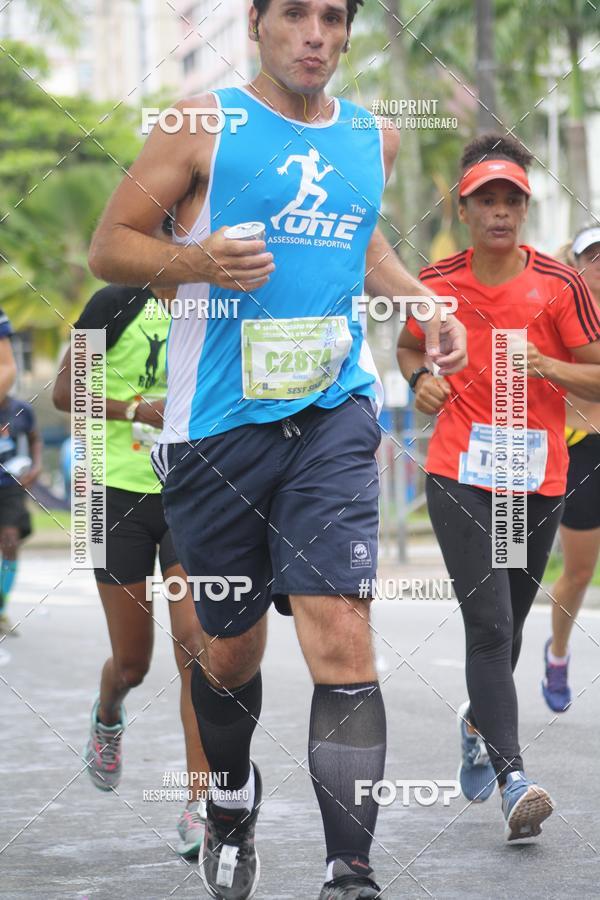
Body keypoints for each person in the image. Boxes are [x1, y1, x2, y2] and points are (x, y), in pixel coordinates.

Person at [87, 1, 467, 896]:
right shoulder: (199, 124)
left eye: (331, 18)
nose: (314, 35)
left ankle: (351, 871)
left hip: (333, 413)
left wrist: (419, 298)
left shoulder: (374, 138)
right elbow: (110, 249)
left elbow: (356, 237)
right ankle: (227, 802)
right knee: (229, 656)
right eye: (293, 14)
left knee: (342, 635)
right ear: (256, 23)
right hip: (215, 429)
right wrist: (199, 262)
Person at [397, 133, 600, 842]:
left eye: (512, 198)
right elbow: (408, 346)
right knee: (486, 625)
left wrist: (545, 364)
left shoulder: (559, 284)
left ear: (525, 206)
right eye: (488, 198)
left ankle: (478, 723)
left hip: (533, 479)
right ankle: (517, 777)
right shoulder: (436, 281)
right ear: (466, 205)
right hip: (459, 473)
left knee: (507, 626)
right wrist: (419, 379)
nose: (501, 211)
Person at [52, 217, 210, 859]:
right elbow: (65, 392)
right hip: (109, 492)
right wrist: (132, 410)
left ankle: (201, 803)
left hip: (188, 495)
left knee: (197, 647)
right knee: (132, 663)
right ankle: (109, 712)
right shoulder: (116, 301)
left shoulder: (217, 307)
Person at [542, 224, 600, 712]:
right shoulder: (561, 315)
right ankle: (557, 653)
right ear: (576, 264)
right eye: (593, 255)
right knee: (579, 572)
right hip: (580, 449)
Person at [0, 390, 42, 636]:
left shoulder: (22, 409)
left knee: (10, 541)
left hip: (11, 486)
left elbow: (35, 438)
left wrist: (36, 467)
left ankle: (1, 608)